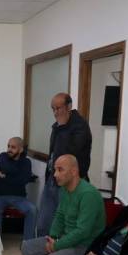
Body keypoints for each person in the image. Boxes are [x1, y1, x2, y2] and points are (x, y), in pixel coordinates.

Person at [21, 154, 104, 255]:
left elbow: (83, 231)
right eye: (55, 170)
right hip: (65, 239)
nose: (55, 174)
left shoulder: (88, 194)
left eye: (60, 170)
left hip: (84, 246)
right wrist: (52, 238)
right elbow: (59, 215)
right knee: (27, 247)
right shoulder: (65, 189)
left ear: (74, 171)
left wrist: (57, 245)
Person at [36, 93, 92, 237]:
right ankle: (42, 250)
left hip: (69, 184)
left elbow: (67, 155)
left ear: (69, 106)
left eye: (58, 108)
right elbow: (53, 153)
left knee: (63, 227)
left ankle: (56, 251)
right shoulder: (58, 126)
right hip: (52, 180)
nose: (55, 112)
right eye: (53, 109)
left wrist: (61, 126)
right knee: (42, 226)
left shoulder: (80, 126)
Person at [0, 137, 37, 240]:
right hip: (0, 196)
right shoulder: (2, 156)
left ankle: (27, 243)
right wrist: (17, 174)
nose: (9, 149)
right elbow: (5, 168)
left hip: (19, 197)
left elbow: (23, 180)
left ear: (21, 150)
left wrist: (5, 175)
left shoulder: (26, 162)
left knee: (32, 209)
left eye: (13, 147)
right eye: (8, 146)